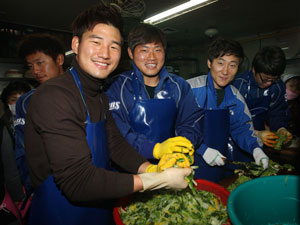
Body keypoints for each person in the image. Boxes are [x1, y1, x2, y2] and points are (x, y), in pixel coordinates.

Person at [24, 4, 192, 225]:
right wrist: (154, 180)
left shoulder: (99, 95)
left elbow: (115, 144)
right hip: (60, 213)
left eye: (114, 46)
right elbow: (78, 182)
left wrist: (150, 167)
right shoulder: (54, 96)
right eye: (96, 42)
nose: (105, 53)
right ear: (76, 44)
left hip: (98, 206)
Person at [106, 23, 202, 163]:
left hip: (172, 165)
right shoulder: (116, 87)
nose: (152, 57)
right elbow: (118, 134)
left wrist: (183, 148)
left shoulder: (179, 86)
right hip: (129, 170)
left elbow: (191, 122)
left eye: (158, 50)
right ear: (131, 53)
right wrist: (154, 150)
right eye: (144, 50)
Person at [187, 38, 268, 182]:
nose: (225, 71)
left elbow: (242, 128)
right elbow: (177, 126)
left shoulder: (235, 97)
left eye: (232, 65)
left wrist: (255, 149)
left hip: (217, 163)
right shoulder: (190, 90)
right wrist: (202, 149)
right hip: (186, 164)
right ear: (209, 63)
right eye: (220, 63)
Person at [14, 33, 65, 194]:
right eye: (30, 66)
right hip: (47, 186)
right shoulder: (26, 102)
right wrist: (33, 187)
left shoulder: (84, 92)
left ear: (59, 60)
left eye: (40, 63)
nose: (35, 70)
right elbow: (22, 149)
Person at [232, 46, 292, 149]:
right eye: (265, 79)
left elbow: (277, 112)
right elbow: (232, 120)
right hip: (236, 140)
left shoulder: (278, 86)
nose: (269, 83)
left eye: (274, 79)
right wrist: (256, 133)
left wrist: (281, 128)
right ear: (254, 69)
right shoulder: (238, 85)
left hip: (261, 138)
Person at [0, 81, 31, 202]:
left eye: (22, 98)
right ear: (7, 102)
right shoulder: (4, 124)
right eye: (13, 99)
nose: (18, 103)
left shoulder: (36, 120)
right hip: (10, 178)